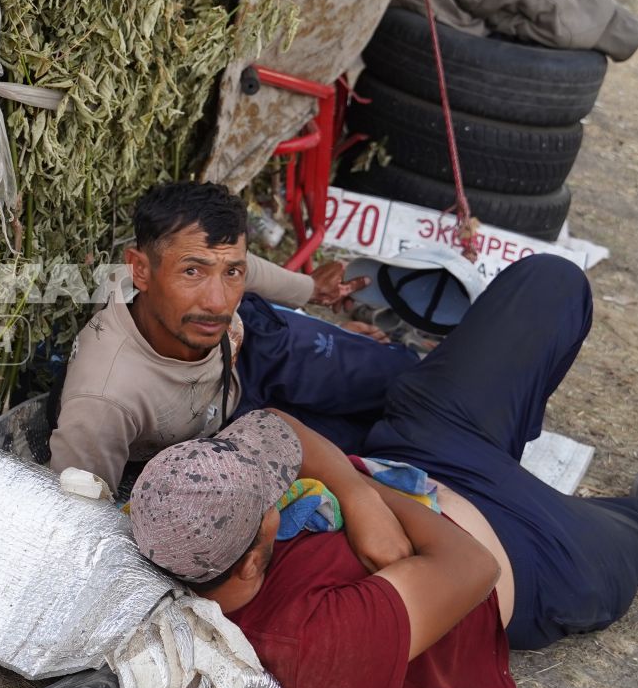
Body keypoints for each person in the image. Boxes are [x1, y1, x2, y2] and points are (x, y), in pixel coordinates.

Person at [126, 255, 638, 688]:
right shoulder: (313, 641)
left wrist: (359, 495)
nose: (279, 485)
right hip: (530, 564)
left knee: (549, 282)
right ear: (254, 560)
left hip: (417, 459)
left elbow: (279, 429)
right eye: (270, 497)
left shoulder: (183, 524)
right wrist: (370, 498)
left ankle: (515, 446)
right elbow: (471, 566)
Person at [48, 181, 418, 497]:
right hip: (224, 439)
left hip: (257, 348)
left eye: (231, 273)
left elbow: (244, 265)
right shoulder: (105, 399)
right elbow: (77, 517)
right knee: (380, 459)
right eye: (192, 271)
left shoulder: (211, 294)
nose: (217, 302)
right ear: (141, 270)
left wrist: (310, 292)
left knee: (406, 381)